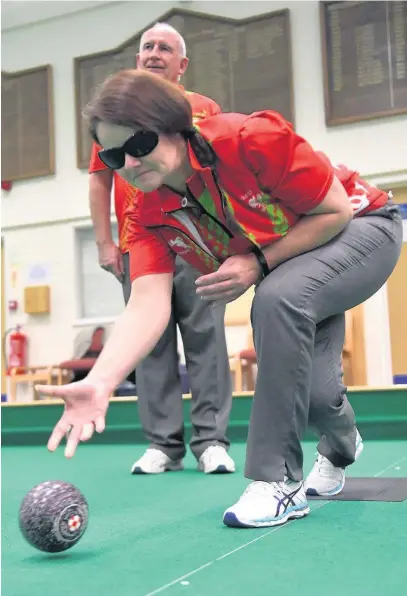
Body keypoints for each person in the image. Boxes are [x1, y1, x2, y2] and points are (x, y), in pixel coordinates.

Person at [37, 70, 402, 529]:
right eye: (113, 155)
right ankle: (341, 447)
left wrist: (256, 264)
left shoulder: (249, 139)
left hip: (363, 228)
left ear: (174, 125)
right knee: (319, 392)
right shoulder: (146, 213)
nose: (128, 163)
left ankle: (279, 480)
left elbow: (335, 211)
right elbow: (148, 303)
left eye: (139, 144)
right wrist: (103, 380)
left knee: (273, 298)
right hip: (293, 267)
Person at [87, 23, 235, 475]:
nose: (154, 53)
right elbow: (99, 177)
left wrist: (228, 240)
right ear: (138, 60)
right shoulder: (115, 117)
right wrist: (104, 242)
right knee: (148, 342)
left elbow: (219, 171)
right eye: (147, 47)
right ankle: (163, 445)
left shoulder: (203, 109)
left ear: (181, 64)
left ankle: (211, 441)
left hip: (195, 239)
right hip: (139, 244)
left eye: (165, 48)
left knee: (205, 337)